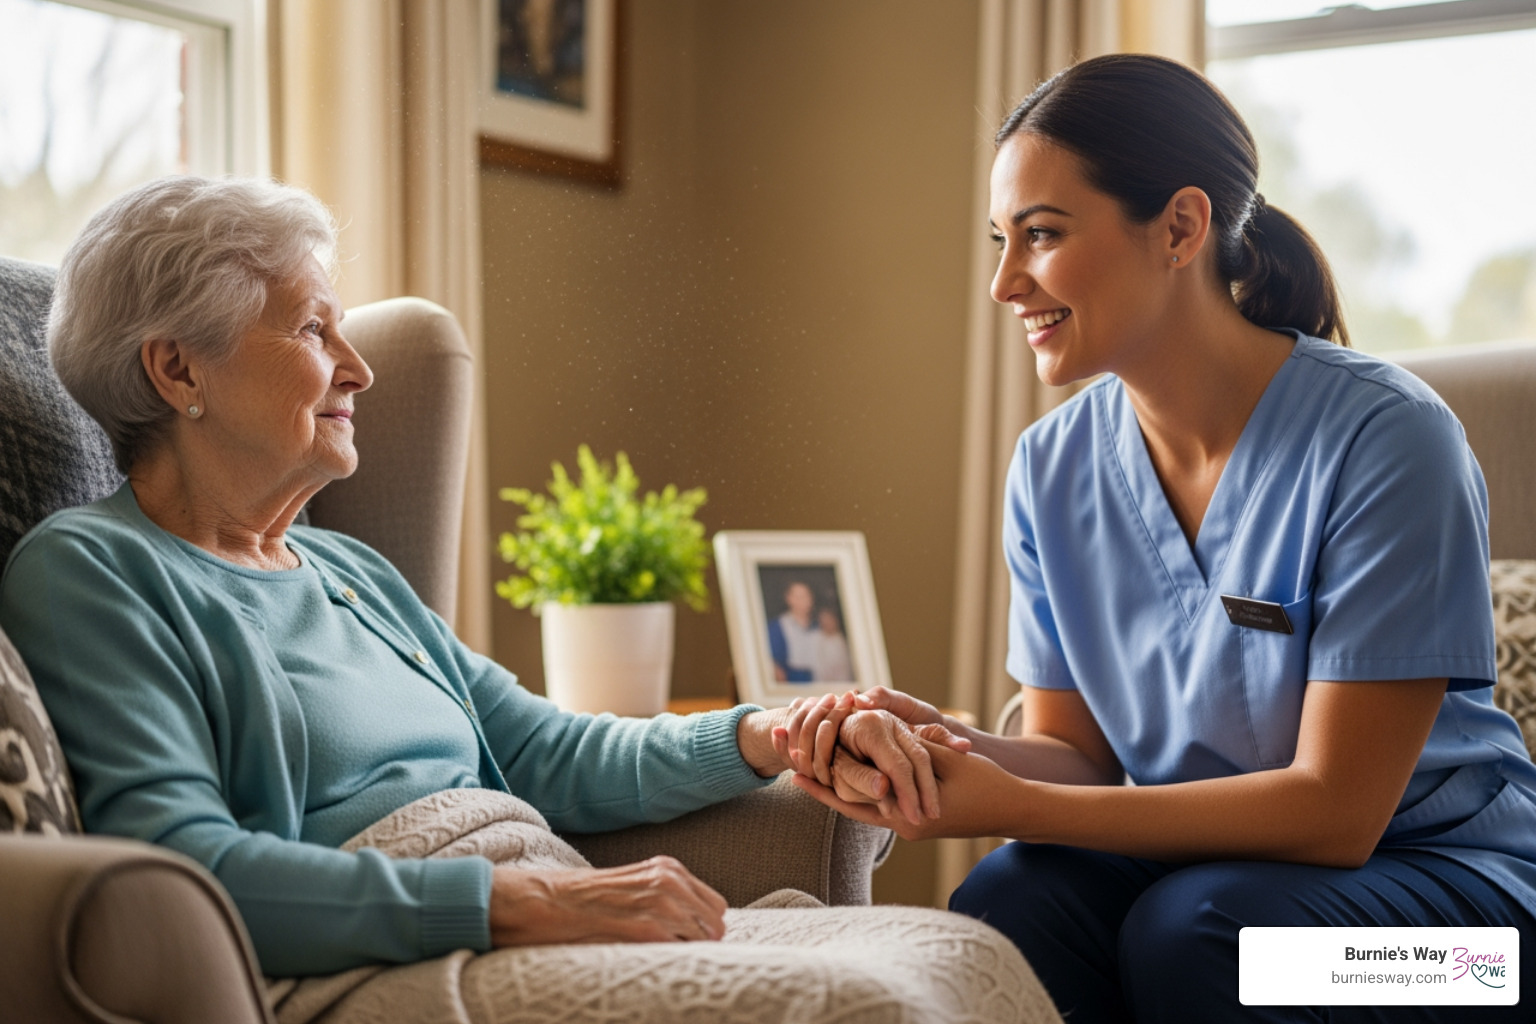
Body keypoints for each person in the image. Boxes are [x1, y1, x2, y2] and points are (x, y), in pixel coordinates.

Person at [0, 176, 953, 979]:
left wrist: (775, 732)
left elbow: (545, 753)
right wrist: (519, 903)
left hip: (529, 907)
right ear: (176, 370)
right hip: (398, 963)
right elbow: (185, 868)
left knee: (947, 958)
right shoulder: (93, 572)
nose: (359, 369)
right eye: (311, 331)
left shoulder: (349, 571)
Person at [775, 54, 1536, 1023]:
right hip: (1223, 884)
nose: (1006, 281)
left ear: (1180, 227)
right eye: (1001, 240)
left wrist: (1008, 804)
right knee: (1008, 903)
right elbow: (1073, 756)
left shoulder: (1390, 442)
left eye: (1041, 237)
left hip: (1470, 946)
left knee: (1204, 935)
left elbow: (1338, 815)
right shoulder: (1051, 470)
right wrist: (927, 744)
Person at [766, 579, 819, 682]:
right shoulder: (778, 626)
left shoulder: (819, 626)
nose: (804, 601)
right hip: (793, 678)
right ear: (789, 599)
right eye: (798, 597)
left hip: (819, 678)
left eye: (806, 596)